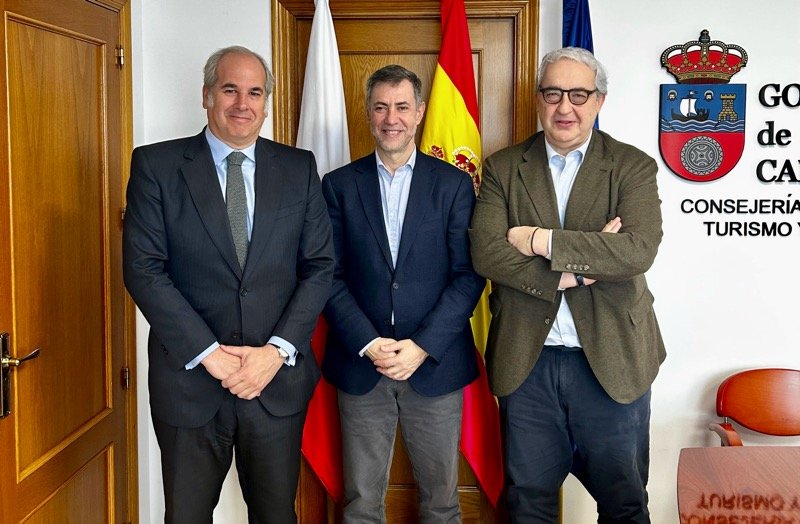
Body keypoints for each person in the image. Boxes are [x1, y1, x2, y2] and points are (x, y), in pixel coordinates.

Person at [122, 45, 334, 523]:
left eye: (255, 92)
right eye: (230, 90)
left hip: (274, 383)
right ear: (206, 95)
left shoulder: (298, 167)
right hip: (190, 385)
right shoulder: (157, 166)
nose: (243, 103)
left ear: (266, 103)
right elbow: (143, 268)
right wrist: (210, 355)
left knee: (276, 515)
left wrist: (275, 352)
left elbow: (320, 267)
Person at [469, 47, 665, 523]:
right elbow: (487, 254)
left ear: (599, 101)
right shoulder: (503, 167)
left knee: (624, 503)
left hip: (613, 362)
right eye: (553, 93)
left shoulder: (631, 166)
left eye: (579, 95)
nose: (565, 107)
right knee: (527, 503)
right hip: (528, 364)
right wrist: (578, 268)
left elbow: (637, 251)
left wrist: (538, 239)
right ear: (539, 98)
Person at [320, 64, 485, 523]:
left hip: (433, 365)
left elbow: (468, 275)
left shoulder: (453, 184)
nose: (391, 118)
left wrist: (422, 346)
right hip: (362, 364)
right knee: (360, 504)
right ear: (368, 113)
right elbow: (327, 275)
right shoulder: (338, 186)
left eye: (401, 107)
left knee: (441, 504)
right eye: (380, 107)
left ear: (420, 112)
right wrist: (369, 343)